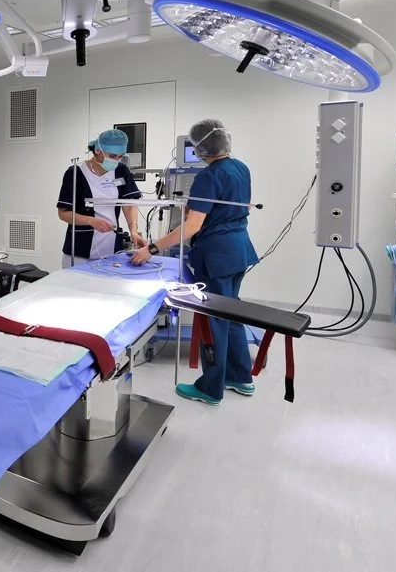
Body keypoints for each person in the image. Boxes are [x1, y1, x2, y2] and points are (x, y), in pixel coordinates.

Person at [130, 119, 259, 406]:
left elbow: (191, 227)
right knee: (232, 313)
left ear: (200, 147)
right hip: (239, 249)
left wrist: (151, 248)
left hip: (217, 255)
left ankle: (211, 388)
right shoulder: (241, 168)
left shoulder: (208, 177)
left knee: (213, 320)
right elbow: (229, 206)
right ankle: (240, 377)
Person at [57, 129, 146, 268]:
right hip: (79, 251)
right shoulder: (75, 173)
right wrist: (90, 221)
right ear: (98, 150)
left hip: (111, 250)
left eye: (120, 156)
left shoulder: (121, 171)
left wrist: (133, 230)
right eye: (112, 155)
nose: (116, 160)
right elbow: (63, 213)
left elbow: (129, 205)